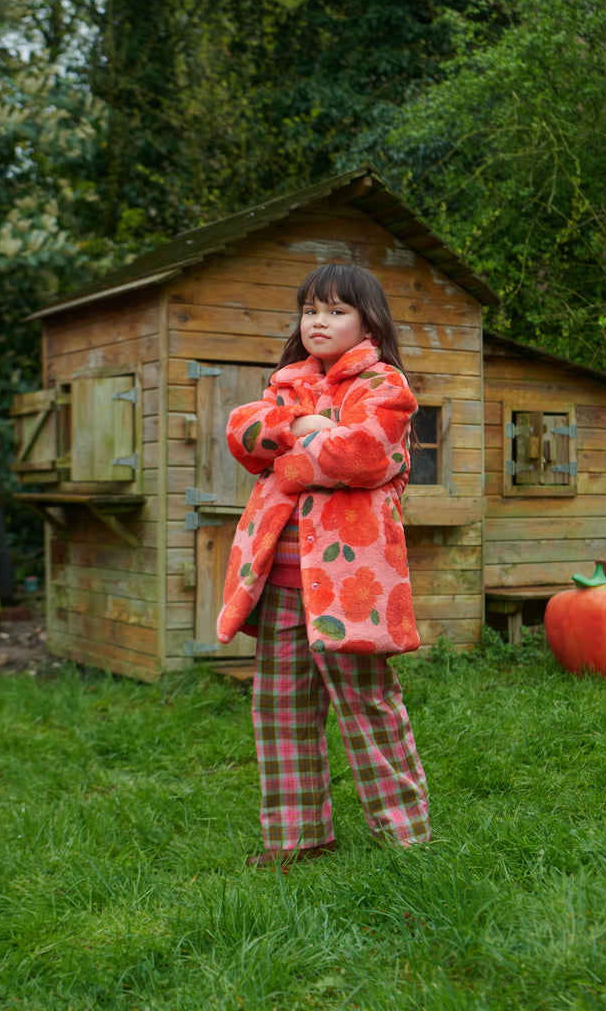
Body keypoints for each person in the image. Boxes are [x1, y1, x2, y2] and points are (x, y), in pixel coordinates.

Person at [217, 263, 430, 869]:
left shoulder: (385, 385)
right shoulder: (288, 385)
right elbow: (243, 433)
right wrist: (301, 423)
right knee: (281, 710)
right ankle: (298, 839)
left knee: (368, 706)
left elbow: (362, 455)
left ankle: (406, 835)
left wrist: (287, 458)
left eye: (337, 311)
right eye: (311, 310)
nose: (319, 321)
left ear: (368, 322)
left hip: (349, 587)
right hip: (281, 583)